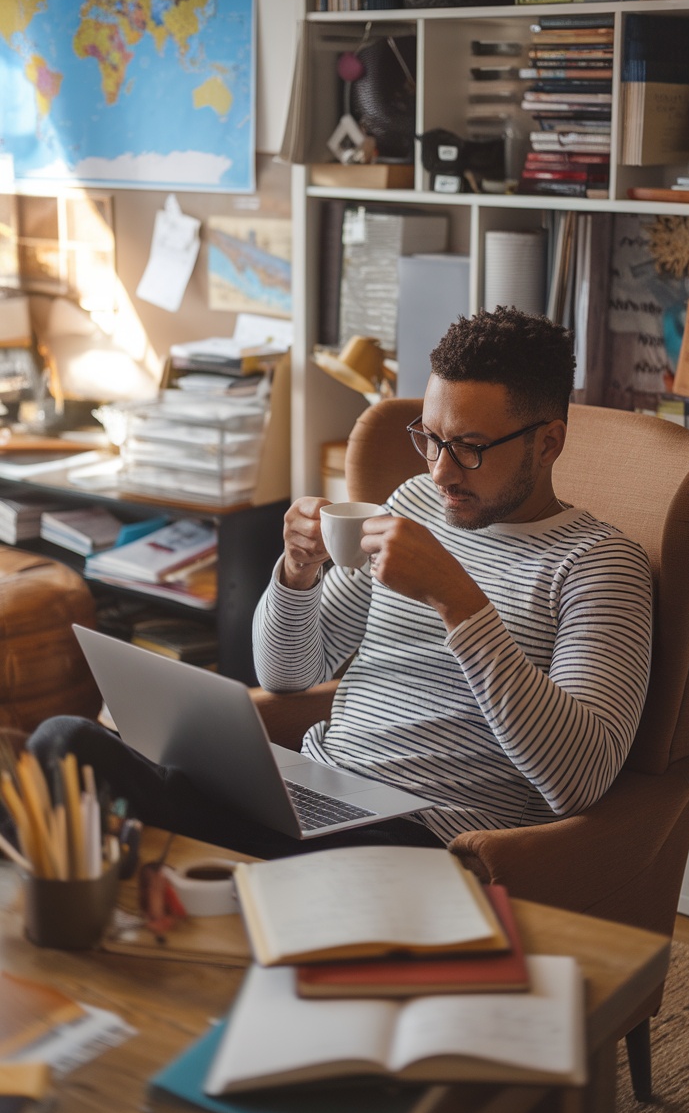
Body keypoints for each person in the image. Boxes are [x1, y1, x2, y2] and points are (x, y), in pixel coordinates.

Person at [20, 307, 652, 858]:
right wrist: (297, 575)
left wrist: (458, 600)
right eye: (430, 440)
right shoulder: (412, 506)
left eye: (470, 447)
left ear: (548, 443)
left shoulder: (598, 565)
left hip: (422, 834)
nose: (439, 472)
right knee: (64, 742)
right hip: (310, 789)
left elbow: (580, 778)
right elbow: (290, 674)